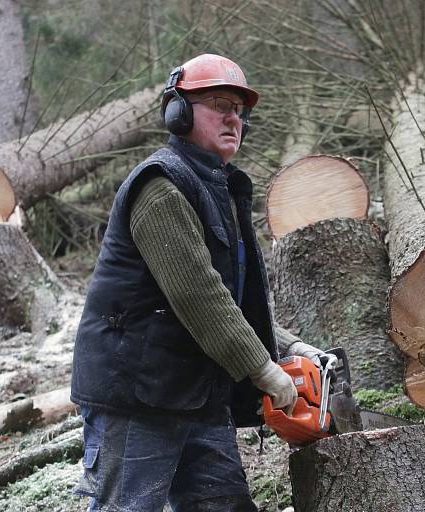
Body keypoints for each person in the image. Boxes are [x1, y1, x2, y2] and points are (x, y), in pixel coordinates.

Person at [70, 53, 325, 512]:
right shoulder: (161, 185)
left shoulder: (219, 186)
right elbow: (196, 294)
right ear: (179, 112)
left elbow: (229, 297)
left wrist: (286, 347)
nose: (233, 118)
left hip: (195, 390)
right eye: (219, 105)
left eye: (239, 111)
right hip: (137, 391)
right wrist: (261, 367)